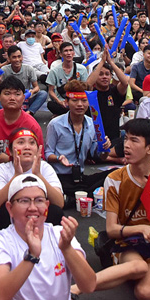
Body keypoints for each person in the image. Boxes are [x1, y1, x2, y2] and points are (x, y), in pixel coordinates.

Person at [84, 119, 150, 299]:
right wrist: (141, 228)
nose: (126, 146)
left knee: (144, 292)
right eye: (126, 139)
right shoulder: (115, 179)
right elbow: (112, 230)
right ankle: (78, 288)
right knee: (139, 267)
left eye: (134, 140)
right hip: (128, 245)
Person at [0, 173, 95, 300]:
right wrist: (32, 256)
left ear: (47, 206)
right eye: (24, 201)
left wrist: (67, 249)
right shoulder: (1, 240)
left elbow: (89, 286)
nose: (32, 208)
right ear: (10, 208)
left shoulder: (60, 234)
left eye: (39, 200)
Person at [45, 79, 112, 207]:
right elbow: (48, 154)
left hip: (80, 176)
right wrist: (59, 158)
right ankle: (77, 197)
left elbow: (97, 155)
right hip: (60, 177)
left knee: (112, 175)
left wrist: (105, 149)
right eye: (75, 101)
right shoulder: (55, 124)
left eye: (84, 100)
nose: (80, 104)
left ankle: (71, 199)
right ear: (66, 102)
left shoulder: (92, 124)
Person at [0, 75, 44, 165]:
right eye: (7, 94)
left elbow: (39, 157)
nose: (12, 98)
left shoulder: (31, 125)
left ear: (24, 98)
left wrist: (10, 159)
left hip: (23, 170)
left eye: (17, 94)